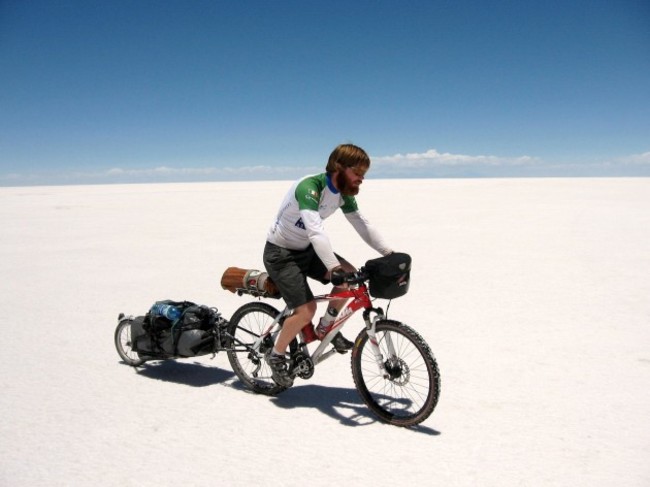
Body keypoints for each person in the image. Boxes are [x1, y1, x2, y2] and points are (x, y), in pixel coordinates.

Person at [262, 143, 393, 387]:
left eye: (364, 175)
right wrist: (333, 268)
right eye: (357, 173)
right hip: (281, 254)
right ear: (339, 168)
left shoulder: (343, 193)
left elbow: (361, 223)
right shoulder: (310, 187)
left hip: (307, 250)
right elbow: (315, 231)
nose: (361, 179)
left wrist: (389, 253)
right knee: (306, 310)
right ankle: (276, 355)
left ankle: (325, 327)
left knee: (350, 277)